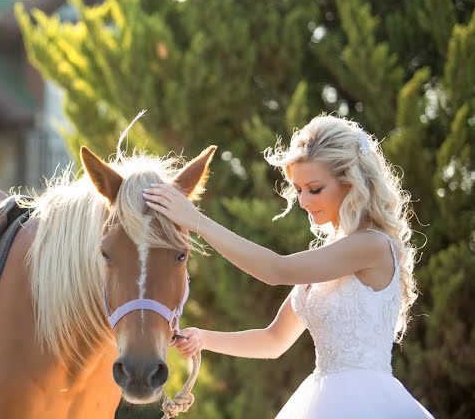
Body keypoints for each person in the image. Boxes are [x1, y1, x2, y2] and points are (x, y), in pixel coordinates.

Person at [143, 115, 433, 418]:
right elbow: (274, 340)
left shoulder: (371, 245)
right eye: (298, 189)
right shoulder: (329, 258)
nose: (304, 201)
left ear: (351, 183)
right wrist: (204, 338)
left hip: (368, 403)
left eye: (315, 188)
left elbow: (275, 270)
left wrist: (196, 221)